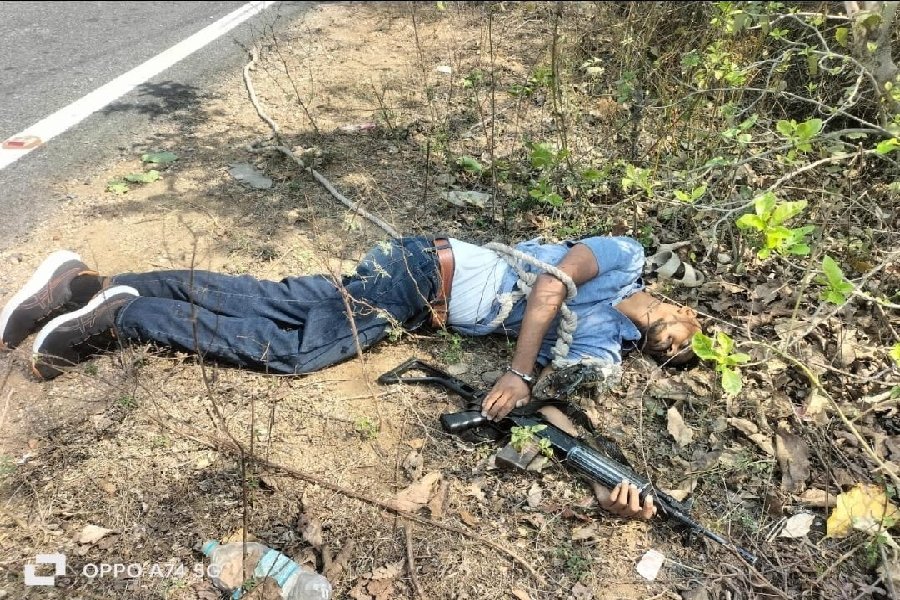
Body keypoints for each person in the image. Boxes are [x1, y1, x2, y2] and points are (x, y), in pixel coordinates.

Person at [0, 234, 700, 518]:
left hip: (419, 297)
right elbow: (550, 286)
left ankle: (83, 285)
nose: (672, 350)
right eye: (686, 341)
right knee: (297, 352)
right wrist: (519, 372)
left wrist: (607, 484)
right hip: (427, 271)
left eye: (674, 360)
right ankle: (125, 318)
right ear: (687, 312)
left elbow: (561, 412)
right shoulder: (624, 258)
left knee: (272, 302)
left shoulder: (606, 344)